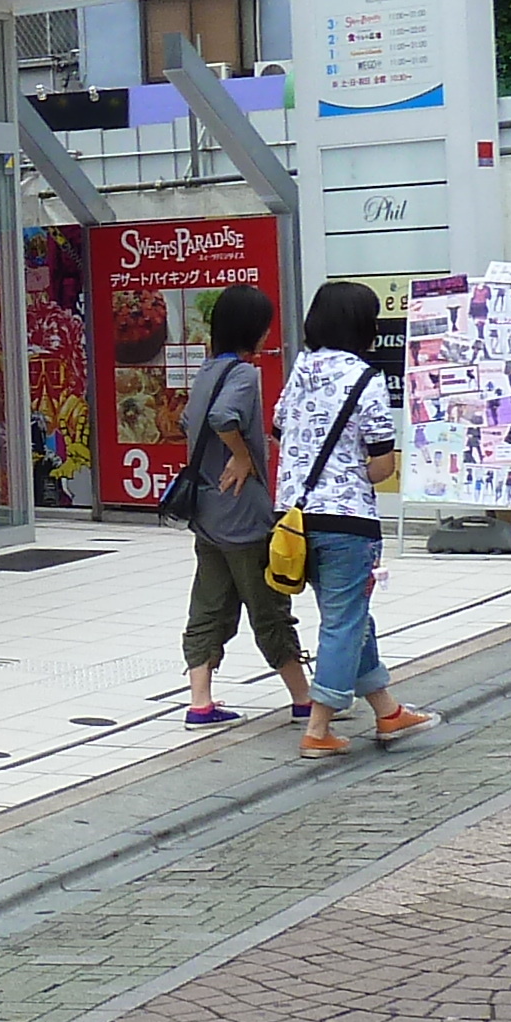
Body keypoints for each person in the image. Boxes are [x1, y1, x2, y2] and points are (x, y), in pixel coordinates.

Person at [273, 278, 438, 760]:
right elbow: (382, 464)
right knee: (344, 621)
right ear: (364, 326)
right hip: (348, 519)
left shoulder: (301, 369)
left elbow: (281, 427)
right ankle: (319, 727)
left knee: (348, 616)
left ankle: (387, 710)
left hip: (297, 518)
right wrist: (355, 469)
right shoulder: (365, 380)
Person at [176, 285, 313, 729]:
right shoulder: (243, 375)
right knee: (268, 606)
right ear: (252, 329)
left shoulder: (206, 371)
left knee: (209, 606)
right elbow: (222, 419)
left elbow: (188, 421)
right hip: (243, 513)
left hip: (208, 512)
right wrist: (240, 454)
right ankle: (303, 698)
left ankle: (200, 702)